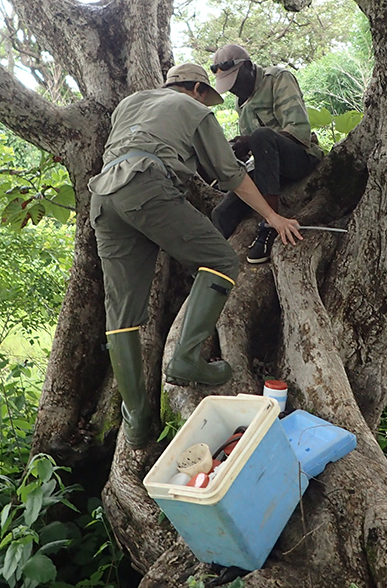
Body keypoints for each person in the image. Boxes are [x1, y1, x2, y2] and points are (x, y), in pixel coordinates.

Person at [88, 63, 302, 447]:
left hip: (104, 198)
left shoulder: (130, 103)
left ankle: (137, 423)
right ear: (199, 90)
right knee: (220, 260)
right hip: (147, 187)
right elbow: (230, 174)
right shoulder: (195, 110)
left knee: (120, 315)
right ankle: (186, 359)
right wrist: (272, 216)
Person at [209, 44, 324, 264]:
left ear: (249, 67)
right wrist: (239, 150)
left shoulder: (277, 78)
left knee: (261, 136)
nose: (234, 90)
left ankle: (270, 226)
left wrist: (252, 142)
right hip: (267, 167)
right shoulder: (241, 101)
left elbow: (298, 131)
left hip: (299, 157)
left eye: (235, 82)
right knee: (221, 213)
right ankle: (215, 266)